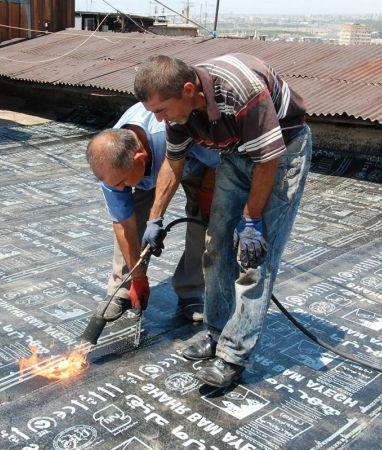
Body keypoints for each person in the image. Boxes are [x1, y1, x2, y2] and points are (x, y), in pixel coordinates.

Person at [134, 54, 312, 388]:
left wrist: (251, 221)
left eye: (161, 110)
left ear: (189, 90)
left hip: (282, 155)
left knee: (254, 257)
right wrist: (155, 218)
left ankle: (233, 355)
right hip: (235, 154)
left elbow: (267, 161)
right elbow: (173, 162)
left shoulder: (240, 91)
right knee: (215, 246)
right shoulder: (178, 112)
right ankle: (216, 332)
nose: (158, 119)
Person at [86, 102, 220, 323]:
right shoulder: (111, 166)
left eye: (121, 182)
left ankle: (191, 291)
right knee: (133, 212)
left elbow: (220, 156)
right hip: (152, 167)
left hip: (199, 163)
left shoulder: (174, 127)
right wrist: (138, 277)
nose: (119, 189)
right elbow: (123, 223)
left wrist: (208, 187)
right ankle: (123, 287)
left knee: (204, 221)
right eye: (114, 184)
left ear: (140, 159)